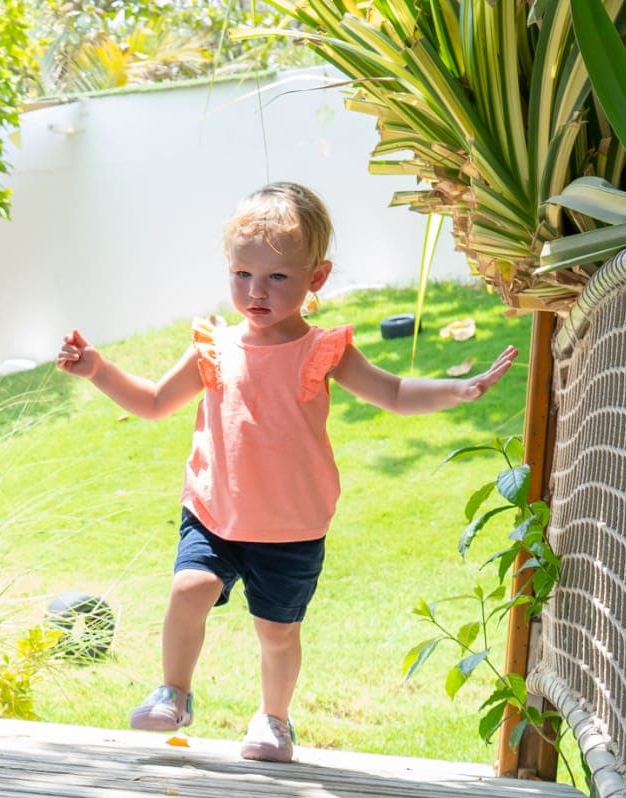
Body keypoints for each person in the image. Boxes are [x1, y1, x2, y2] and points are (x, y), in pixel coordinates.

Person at [56, 182, 517, 762]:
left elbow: (395, 393)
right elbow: (151, 402)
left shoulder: (323, 350)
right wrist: (98, 369)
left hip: (292, 526)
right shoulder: (213, 347)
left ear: (315, 279)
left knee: (277, 632)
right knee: (189, 587)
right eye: (243, 275)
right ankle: (174, 691)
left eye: (277, 278)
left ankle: (274, 721)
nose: (256, 291)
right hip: (215, 511)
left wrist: (458, 389)